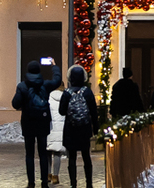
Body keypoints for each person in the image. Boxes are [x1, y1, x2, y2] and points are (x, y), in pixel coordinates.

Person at [13, 59, 62, 188]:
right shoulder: (44, 85)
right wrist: (54, 67)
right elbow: (57, 81)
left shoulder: (22, 86)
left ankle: (31, 183)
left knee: (29, 154)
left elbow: (15, 104)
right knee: (43, 154)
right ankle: (44, 183)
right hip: (42, 122)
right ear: (39, 71)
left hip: (28, 122)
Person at [59, 64, 99, 188]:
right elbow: (93, 111)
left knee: (72, 158)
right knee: (86, 156)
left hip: (71, 129)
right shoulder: (87, 92)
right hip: (84, 129)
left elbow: (61, 111)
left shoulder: (66, 93)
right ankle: (89, 184)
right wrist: (96, 128)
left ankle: (73, 184)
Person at [47, 88, 66, 185]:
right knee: (57, 153)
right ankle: (55, 176)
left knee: (48, 152)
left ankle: (48, 174)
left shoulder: (49, 98)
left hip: (50, 128)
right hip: (61, 129)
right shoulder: (64, 98)